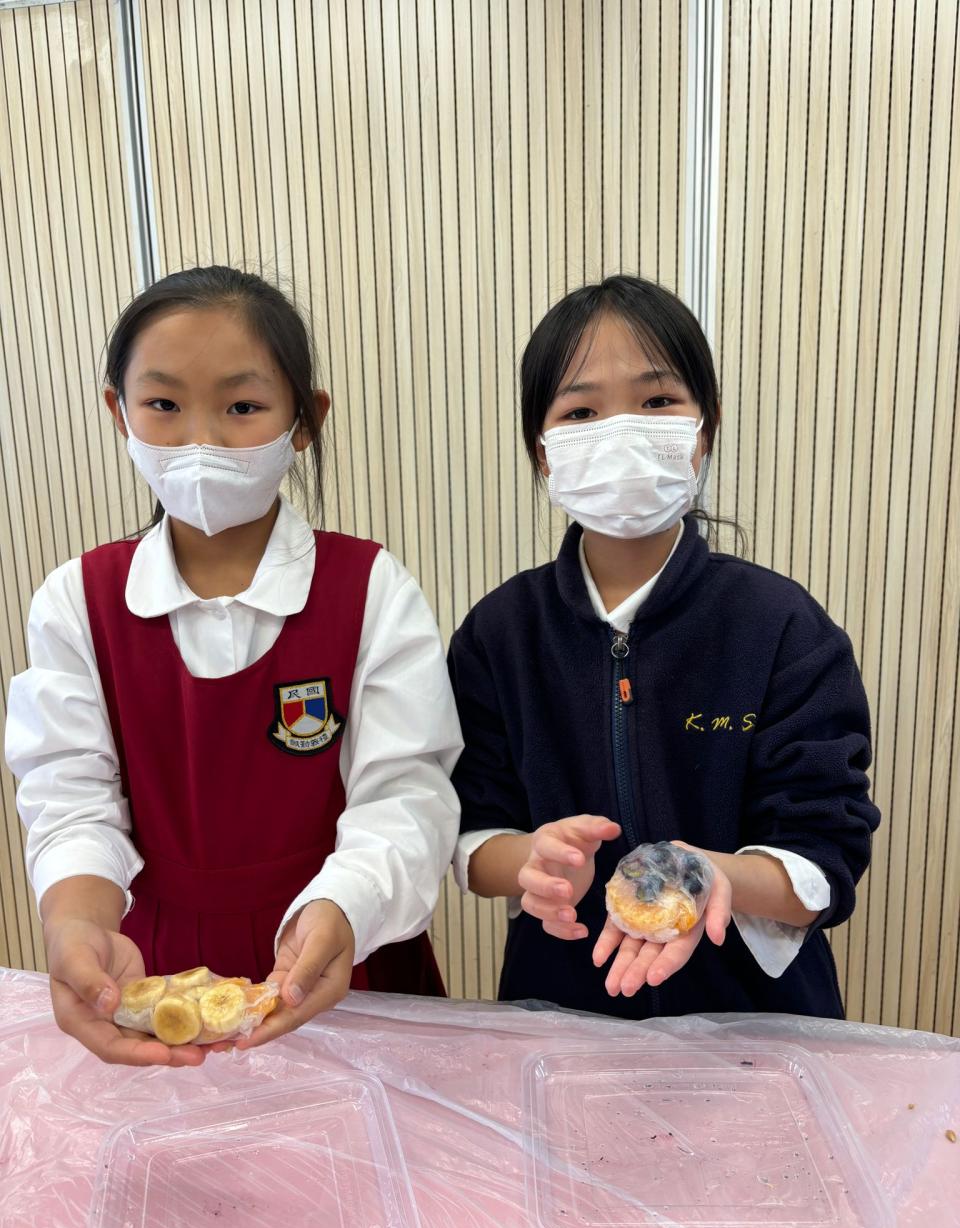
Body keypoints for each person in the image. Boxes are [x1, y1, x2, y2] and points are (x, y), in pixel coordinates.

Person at [5, 266, 462, 1067]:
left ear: (305, 420)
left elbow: (406, 797)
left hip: (342, 958)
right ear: (118, 412)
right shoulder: (78, 601)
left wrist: (345, 905)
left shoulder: (370, 588)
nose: (201, 441)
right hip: (154, 973)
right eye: (164, 404)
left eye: (242, 407)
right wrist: (75, 922)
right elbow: (70, 800)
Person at [448, 274, 879, 1020]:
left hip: (757, 1024)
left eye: (655, 402)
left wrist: (709, 876)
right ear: (544, 452)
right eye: (581, 411)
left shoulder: (780, 626)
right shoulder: (500, 633)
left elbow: (825, 856)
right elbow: (469, 832)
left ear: (703, 430)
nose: (620, 431)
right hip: (563, 1014)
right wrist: (535, 862)